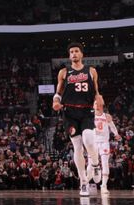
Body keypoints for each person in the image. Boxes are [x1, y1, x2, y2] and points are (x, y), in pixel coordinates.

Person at [52, 42, 102, 196]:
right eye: (71, 52)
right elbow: (58, 91)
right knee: (77, 147)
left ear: (82, 54)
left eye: (76, 51)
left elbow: (96, 91)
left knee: (89, 140)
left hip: (87, 111)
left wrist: (99, 100)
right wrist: (55, 100)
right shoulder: (64, 72)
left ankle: (95, 164)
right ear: (69, 55)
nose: (74, 54)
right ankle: (83, 182)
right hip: (69, 112)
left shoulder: (91, 71)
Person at [93, 97, 118, 194]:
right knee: (91, 165)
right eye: (95, 103)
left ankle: (104, 185)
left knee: (105, 163)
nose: (96, 105)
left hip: (104, 142)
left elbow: (112, 126)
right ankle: (85, 183)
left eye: (97, 103)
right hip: (94, 142)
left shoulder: (107, 116)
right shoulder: (90, 116)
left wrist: (116, 134)